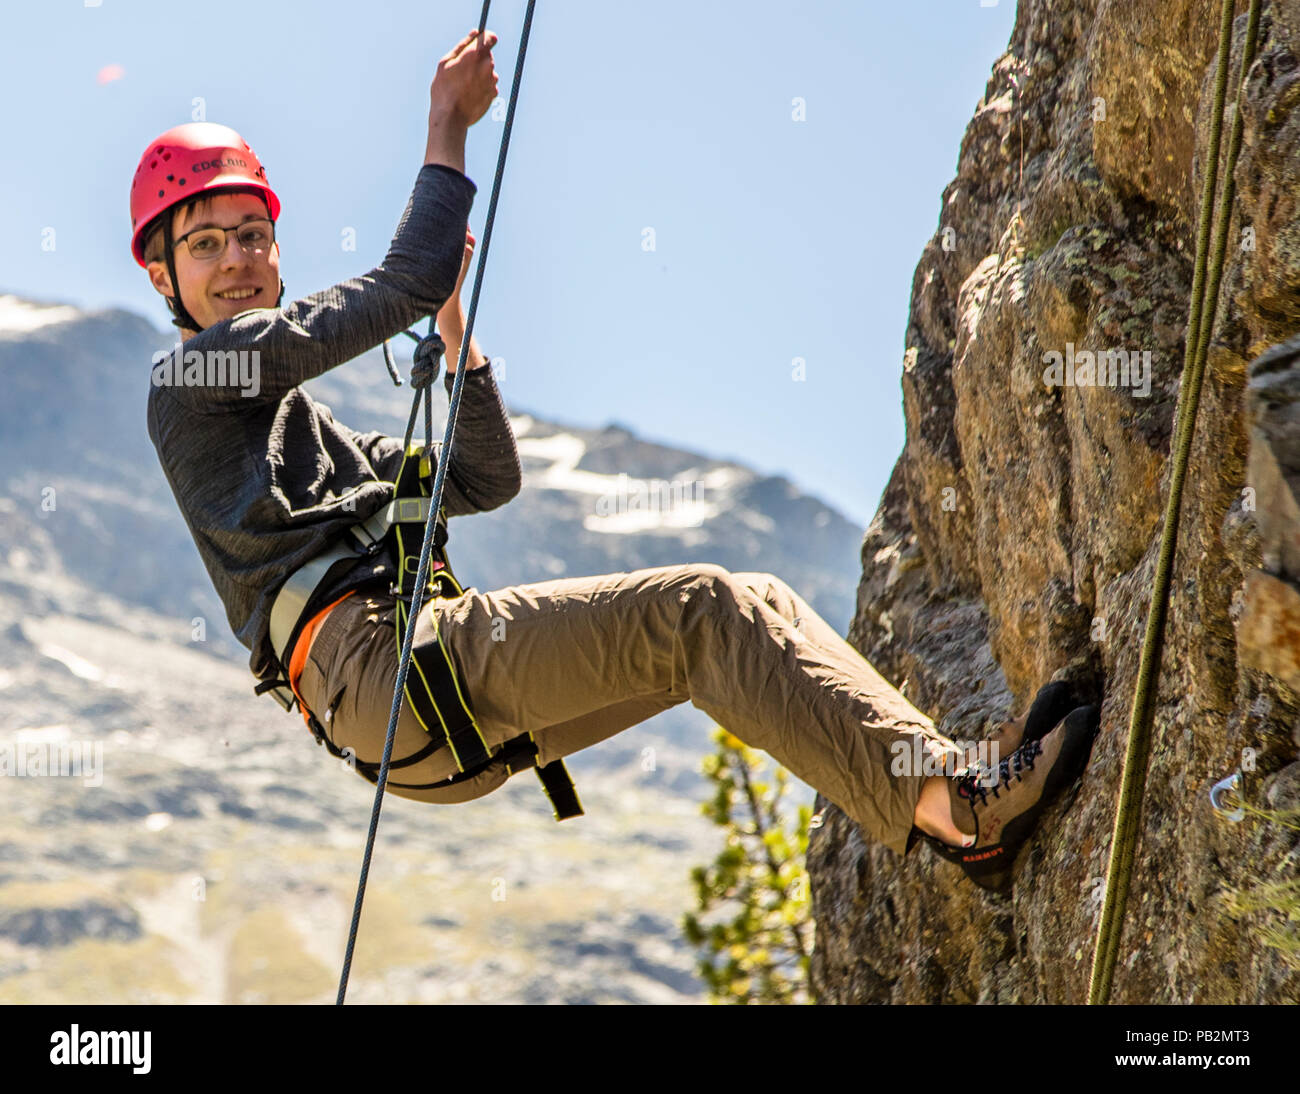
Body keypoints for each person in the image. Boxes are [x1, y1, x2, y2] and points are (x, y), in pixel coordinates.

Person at [134, 28, 1099, 894]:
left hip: (409, 689)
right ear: (160, 275)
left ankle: (950, 782)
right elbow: (408, 273)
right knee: (704, 611)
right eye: (207, 244)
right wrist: (446, 125)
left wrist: (454, 329)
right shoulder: (190, 386)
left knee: (745, 608)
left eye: (253, 236)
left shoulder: (303, 434)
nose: (238, 262)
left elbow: (481, 479)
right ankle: (961, 811)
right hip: (385, 673)